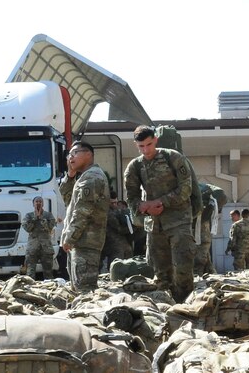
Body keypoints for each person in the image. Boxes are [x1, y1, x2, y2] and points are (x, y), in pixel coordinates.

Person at [124, 125, 196, 302]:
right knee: (161, 273)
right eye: (141, 146)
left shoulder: (173, 158)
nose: (146, 150)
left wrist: (160, 202)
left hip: (179, 221)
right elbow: (131, 197)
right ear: (136, 145)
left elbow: (186, 189)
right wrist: (143, 207)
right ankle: (164, 309)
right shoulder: (135, 166)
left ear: (155, 139)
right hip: (154, 225)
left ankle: (185, 307)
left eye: (149, 144)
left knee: (183, 269)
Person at [59, 141, 109, 292]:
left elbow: (82, 212)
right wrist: (70, 174)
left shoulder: (92, 178)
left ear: (88, 155)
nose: (70, 158)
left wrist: (70, 238)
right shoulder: (83, 177)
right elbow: (66, 197)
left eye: (75, 153)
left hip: (86, 242)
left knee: (85, 291)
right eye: (69, 155)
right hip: (79, 242)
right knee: (77, 289)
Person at [21, 196, 57, 279]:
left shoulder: (48, 215)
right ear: (33, 204)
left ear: (43, 204)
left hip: (46, 247)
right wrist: (34, 219)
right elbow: (27, 228)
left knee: (48, 273)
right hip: (32, 247)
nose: (38, 203)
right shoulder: (28, 216)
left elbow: (49, 228)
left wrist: (41, 218)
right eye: (36, 201)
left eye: (40, 201)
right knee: (30, 272)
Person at [101, 196, 134, 272]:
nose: (115, 205)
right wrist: (131, 229)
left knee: (127, 264)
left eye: (116, 202)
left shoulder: (117, 211)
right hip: (112, 244)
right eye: (112, 203)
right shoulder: (108, 213)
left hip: (121, 243)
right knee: (115, 268)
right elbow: (119, 229)